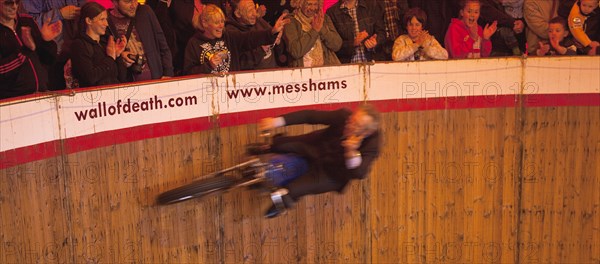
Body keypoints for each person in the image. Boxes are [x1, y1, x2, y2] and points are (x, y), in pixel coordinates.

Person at [255, 104, 382, 218]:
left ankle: (282, 202)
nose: (349, 124)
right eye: (352, 119)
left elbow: (359, 173)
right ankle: (266, 150)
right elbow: (310, 116)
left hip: (331, 174)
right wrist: (276, 122)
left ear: (367, 132)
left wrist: (350, 152)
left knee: (294, 190)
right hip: (318, 147)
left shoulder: (372, 145)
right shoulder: (343, 116)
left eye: (356, 125)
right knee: (282, 144)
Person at [183, 4, 290, 75]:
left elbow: (250, 38)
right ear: (205, 23)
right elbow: (188, 73)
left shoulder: (229, 36)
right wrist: (208, 65)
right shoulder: (194, 43)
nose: (221, 26)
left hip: (233, 92)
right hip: (207, 95)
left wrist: (272, 31)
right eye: (216, 22)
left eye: (222, 21)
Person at [1, 0, 61, 99]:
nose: (14, 6)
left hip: (41, 94)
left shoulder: (26, 21)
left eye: (17, 2)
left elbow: (49, 60)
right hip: (13, 100)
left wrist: (45, 41)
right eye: (8, 3)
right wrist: (24, 51)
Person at [22, 0, 86, 90]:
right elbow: (27, 23)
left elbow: (89, 12)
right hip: (51, 58)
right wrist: (59, 14)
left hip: (77, 54)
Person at [107, 0, 173, 82]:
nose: (133, 5)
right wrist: (121, 58)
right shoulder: (105, 21)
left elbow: (163, 45)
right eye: (128, 2)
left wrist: (168, 73)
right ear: (115, 2)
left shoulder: (145, 12)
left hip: (156, 80)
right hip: (126, 85)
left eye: (135, 0)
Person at [70, 1, 127, 88]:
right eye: (102, 19)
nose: (106, 24)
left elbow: (122, 78)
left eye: (106, 19)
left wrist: (118, 56)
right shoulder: (79, 45)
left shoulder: (106, 44)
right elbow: (90, 77)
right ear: (89, 21)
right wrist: (110, 58)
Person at [226, 0, 286, 70]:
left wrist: (278, 41)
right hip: (252, 78)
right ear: (238, 14)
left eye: (254, 8)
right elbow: (240, 63)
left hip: (273, 72)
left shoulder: (259, 21)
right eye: (249, 11)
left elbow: (280, 50)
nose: (254, 14)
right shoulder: (231, 32)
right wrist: (261, 50)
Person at [283, 0, 342, 67]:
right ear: (300, 4)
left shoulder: (324, 18)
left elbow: (337, 45)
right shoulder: (291, 21)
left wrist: (322, 29)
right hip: (302, 73)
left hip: (326, 71)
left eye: (315, 4)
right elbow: (296, 51)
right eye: (309, 4)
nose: (313, 8)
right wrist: (314, 31)